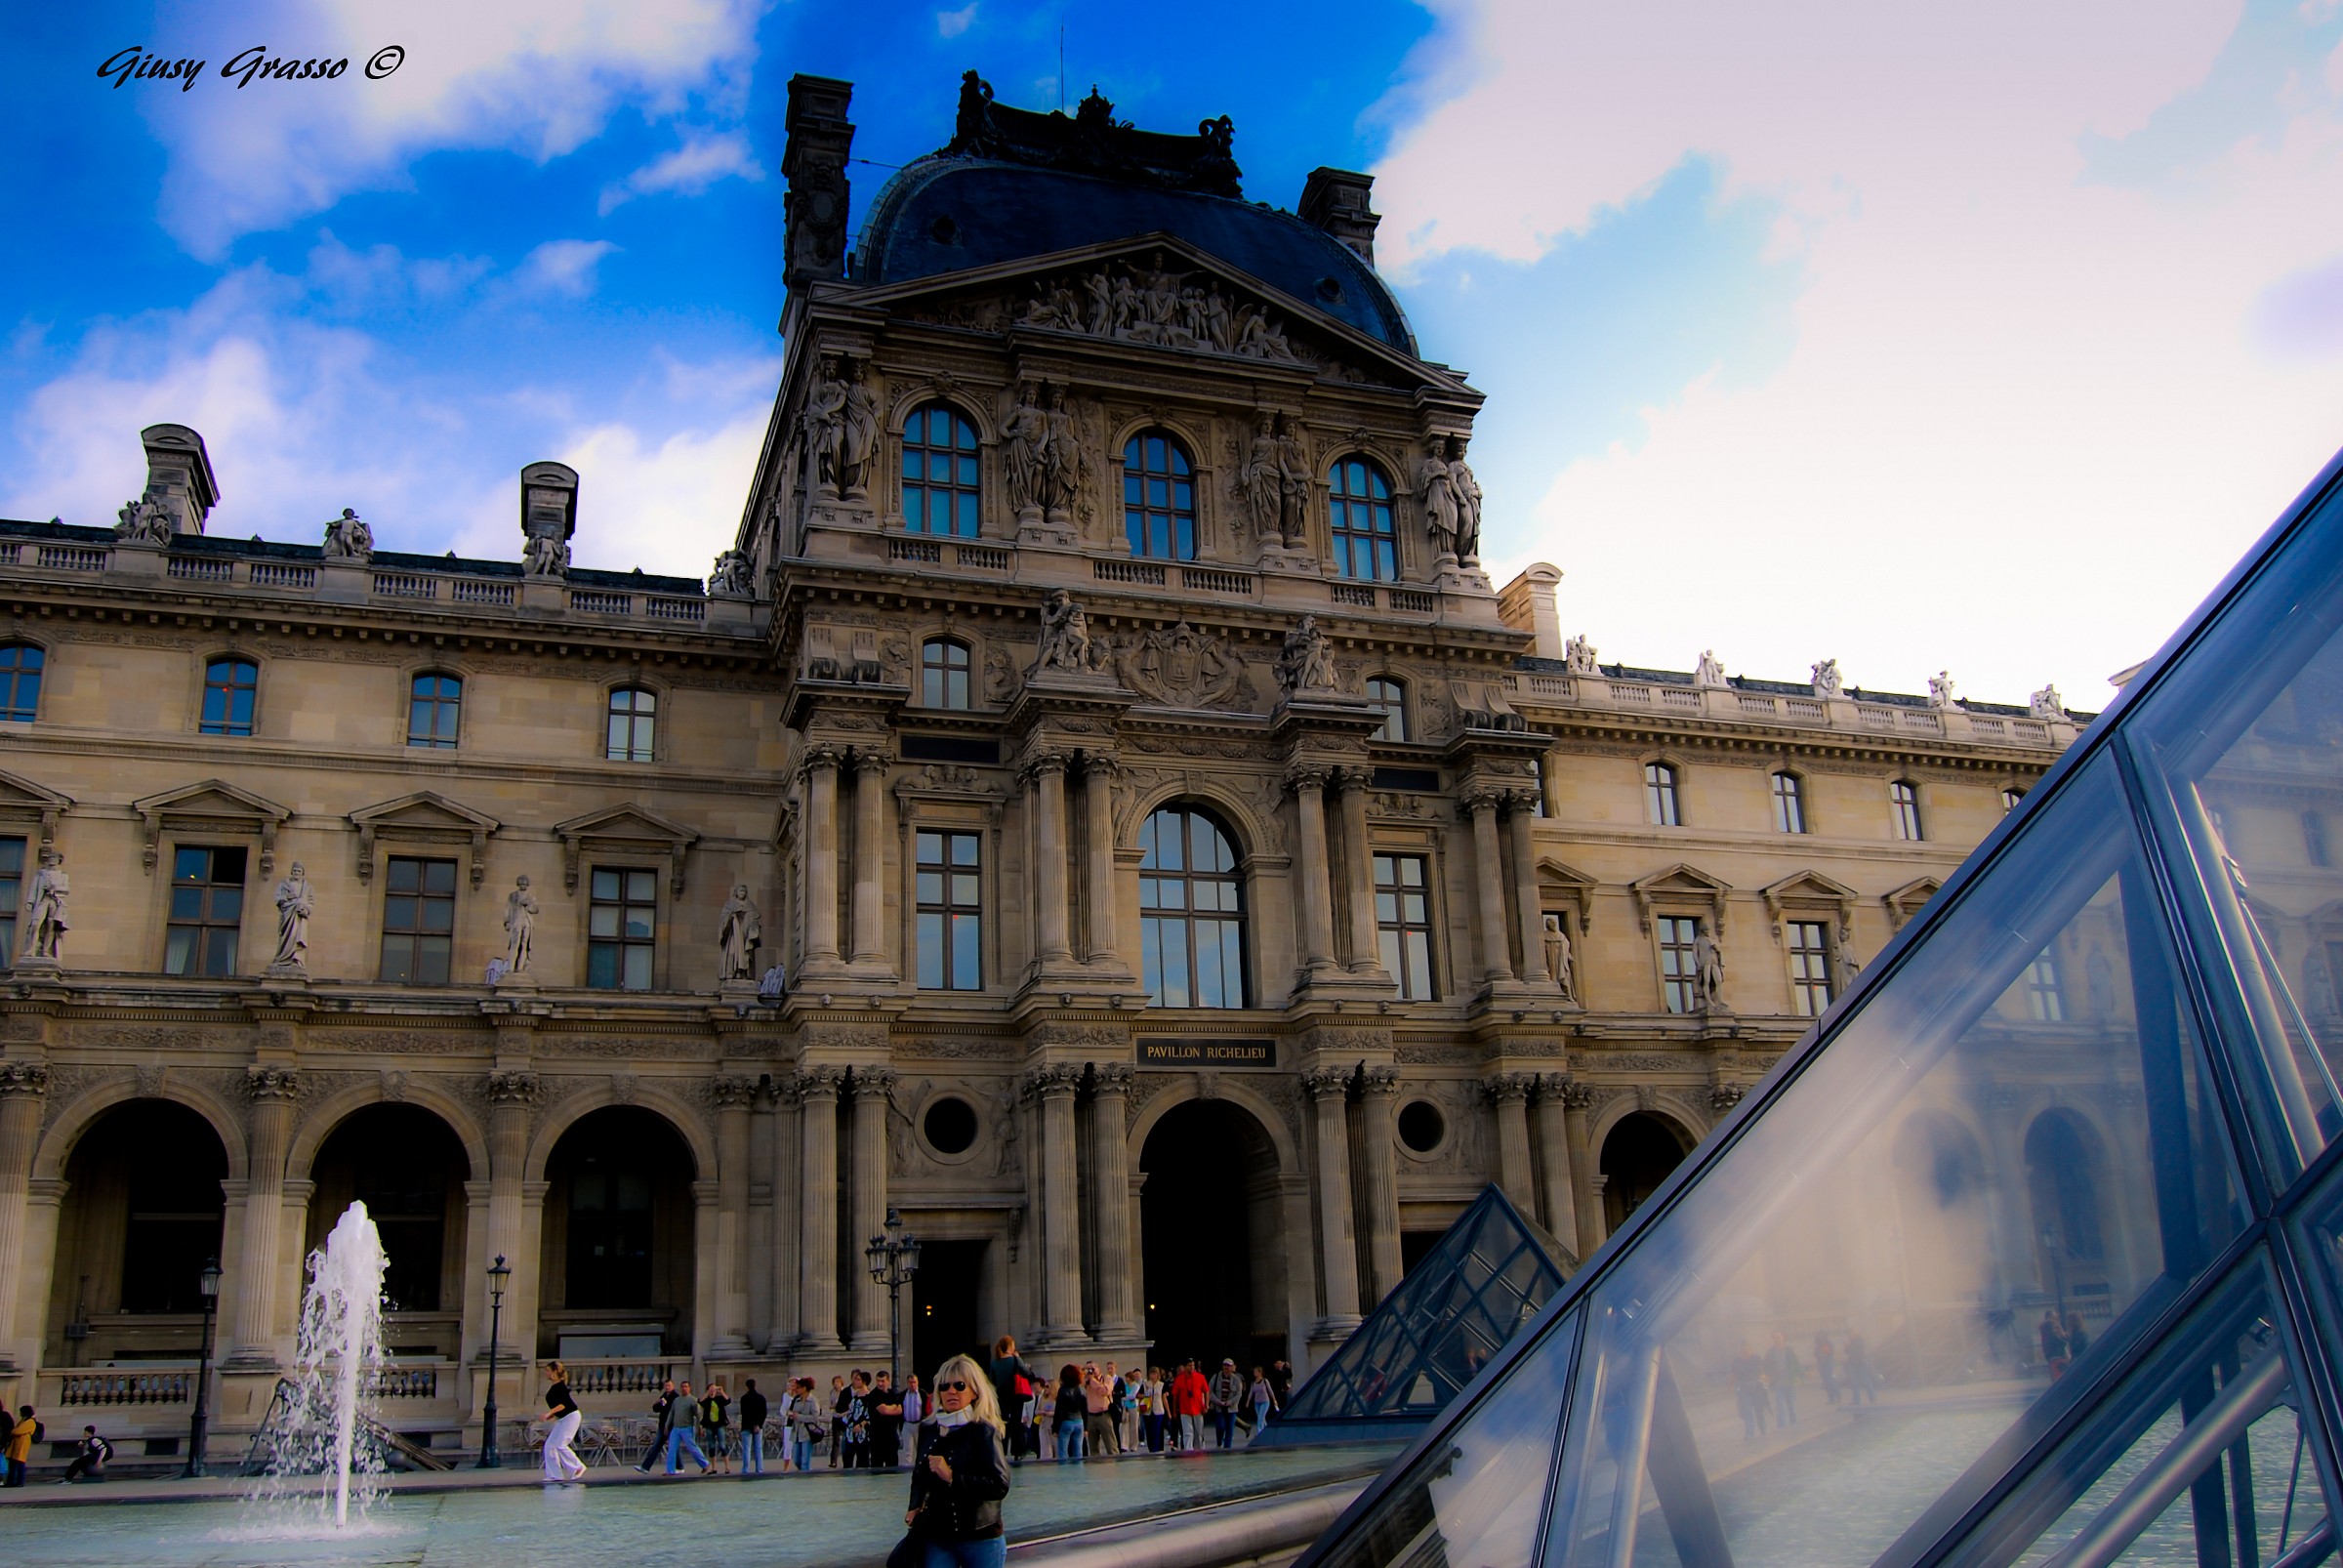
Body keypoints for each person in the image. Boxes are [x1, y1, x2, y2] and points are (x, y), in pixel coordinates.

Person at [903, 1353, 1013, 1568]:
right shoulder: (929, 1429)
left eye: (960, 1385)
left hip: (981, 1535)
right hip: (938, 1534)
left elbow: (999, 1485)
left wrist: (953, 1477)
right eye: (944, 1386)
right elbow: (919, 1476)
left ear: (974, 1391)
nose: (951, 1391)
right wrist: (914, 1506)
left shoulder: (983, 1430)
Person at [988, 1336, 1043, 1463]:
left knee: (1003, 1422)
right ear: (1010, 1347)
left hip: (1001, 1395)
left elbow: (992, 1381)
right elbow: (1027, 1373)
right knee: (1016, 1422)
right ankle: (1017, 1450)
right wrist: (1020, 1360)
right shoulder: (1015, 1360)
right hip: (1016, 1394)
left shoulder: (994, 1363)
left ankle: (1002, 1449)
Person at [541, 1362, 586, 1486]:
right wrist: (551, 1416)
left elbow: (562, 1405)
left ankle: (577, 1467)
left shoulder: (561, 1387)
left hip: (571, 1417)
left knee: (561, 1444)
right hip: (563, 1419)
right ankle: (555, 1475)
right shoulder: (555, 1387)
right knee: (550, 1445)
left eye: (548, 1370)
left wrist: (549, 1413)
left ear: (554, 1372)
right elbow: (559, 1407)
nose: (546, 1373)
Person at [664, 1380, 713, 1475]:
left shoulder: (693, 1400)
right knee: (671, 1449)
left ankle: (705, 1464)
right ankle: (670, 1471)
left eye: (686, 1387)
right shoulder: (676, 1400)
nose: (684, 1388)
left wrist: (700, 1427)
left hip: (687, 1428)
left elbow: (699, 1414)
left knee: (692, 1448)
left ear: (689, 1388)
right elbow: (671, 1413)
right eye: (683, 1387)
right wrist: (667, 1425)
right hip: (676, 1428)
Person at [637, 1378, 680, 1472]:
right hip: (662, 1425)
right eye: (666, 1386)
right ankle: (645, 1467)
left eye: (669, 1385)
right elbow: (657, 1409)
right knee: (657, 1446)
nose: (667, 1387)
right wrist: (656, 1404)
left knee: (672, 1446)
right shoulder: (664, 1396)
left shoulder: (675, 1397)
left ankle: (679, 1467)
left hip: (671, 1425)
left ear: (673, 1386)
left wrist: (663, 1404)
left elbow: (671, 1410)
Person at [1731, 1342, 1769, 1440]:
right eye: (1743, 1351)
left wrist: (1765, 1379)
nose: (1745, 1352)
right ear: (1740, 1351)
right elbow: (1734, 1375)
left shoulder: (1756, 1359)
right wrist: (1730, 1386)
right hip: (1744, 1389)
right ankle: (1749, 1433)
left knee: (1759, 1412)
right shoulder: (1736, 1361)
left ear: (1751, 1350)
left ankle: (1763, 1430)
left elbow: (1763, 1371)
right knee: (1748, 1412)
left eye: (1747, 1350)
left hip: (1757, 1388)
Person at [1764, 1331, 1801, 1428]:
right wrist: (1769, 1375)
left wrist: (1802, 1373)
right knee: (1780, 1406)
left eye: (1778, 1337)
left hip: (1789, 1381)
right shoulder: (1770, 1352)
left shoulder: (1789, 1350)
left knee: (1792, 1405)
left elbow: (1796, 1363)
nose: (1777, 1339)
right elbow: (1766, 1365)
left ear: (1783, 1337)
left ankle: (1794, 1423)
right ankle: (1782, 1426)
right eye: (1775, 1337)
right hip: (1777, 1383)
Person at [787, 1378, 824, 1472]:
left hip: (807, 1432)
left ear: (805, 1388)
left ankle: (806, 1476)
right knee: (796, 1459)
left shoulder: (813, 1401)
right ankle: (804, 1472)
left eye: (798, 1387)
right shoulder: (797, 1400)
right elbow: (794, 1412)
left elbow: (814, 1417)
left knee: (805, 1460)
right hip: (796, 1432)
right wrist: (791, 1415)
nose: (796, 1389)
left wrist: (799, 1416)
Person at [868, 1372, 904, 1469]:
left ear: (888, 1381)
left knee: (892, 1466)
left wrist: (890, 1409)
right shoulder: (874, 1395)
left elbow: (900, 1410)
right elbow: (884, 1410)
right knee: (877, 1467)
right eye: (878, 1381)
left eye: (882, 1381)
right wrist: (893, 1408)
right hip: (877, 1438)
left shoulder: (893, 1393)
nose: (880, 1383)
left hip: (891, 1437)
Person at [1172, 1361, 1209, 1452]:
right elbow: (1175, 1396)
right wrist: (1174, 1411)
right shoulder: (1179, 1379)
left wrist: (1206, 1405)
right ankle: (1188, 1450)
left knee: (1199, 1432)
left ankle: (1199, 1450)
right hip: (1184, 1409)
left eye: (1193, 1365)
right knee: (1187, 1433)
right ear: (1185, 1367)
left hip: (1198, 1409)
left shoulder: (1200, 1377)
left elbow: (1206, 1391)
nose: (1191, 1367)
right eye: (1189, 1365)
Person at [1052, 1364, 1087, 1462]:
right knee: (1078, 1452)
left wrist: (1055, 1428)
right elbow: (1084, 1408)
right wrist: (1086, 1427)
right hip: (1079, 1421)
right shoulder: (1080, 1389)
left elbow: (1059, 1410)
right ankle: (1079, 1472)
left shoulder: (1062, 1390)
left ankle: (1064, 1473)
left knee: (1063, 1452)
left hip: (1066, 1421)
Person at [1210, 1358, 1246, 1450]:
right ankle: (1219, 1443)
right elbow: (1210, 1391)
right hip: (1219, 1407)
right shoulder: (1216, 1377)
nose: (1226, 1367)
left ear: (1232, 1367)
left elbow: (1238, 1394)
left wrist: (1230, 1402)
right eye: (1225, 1365)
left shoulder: (1237, 1379)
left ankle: (1227, 1449)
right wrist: (1217, 1401)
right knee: (1220, 1426)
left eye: (1228, 1365)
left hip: (1232, 1408)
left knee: (1230, 1430)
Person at [1080, 1362, 1113, 1458]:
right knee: (1093, 1446)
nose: (1091, 1371)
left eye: (1093, 1368)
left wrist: (1093, 1380)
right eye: (1089, 1369)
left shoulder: (1107, 1378)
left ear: (1099, 1368)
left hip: (1104, 1415)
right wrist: (1083, 1369)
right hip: (1091, 1416)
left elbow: (1105, 1391)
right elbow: (1080, 1381)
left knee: (1110, 1444)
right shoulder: (1087, 1380)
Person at [701, 1380, 732, 1475]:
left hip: (719, 1424)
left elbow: (728, 1400)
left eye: (714, 1389)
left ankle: (727, 1467)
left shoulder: (719, 1399)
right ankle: (714, 1468)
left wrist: (721, 1391)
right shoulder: (706, 1400)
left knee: (722, 1446)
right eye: (711, 1389)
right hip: (709, 1425)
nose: (713, 1390)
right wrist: (707, 1392)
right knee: (711, 1446)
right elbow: (700, 1401)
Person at [738, 1378, 768, 1476]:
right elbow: (764, 1413)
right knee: (758, 1448)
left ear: (747, 1387)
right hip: (758, 1427)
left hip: (747, 1425)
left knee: (746, 1448)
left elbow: (744, 1413)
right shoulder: (761, 1398)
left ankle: (746, 1469)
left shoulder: (744, 1398)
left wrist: (751, 1425)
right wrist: (758, 1425)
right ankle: (759, 1469)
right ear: (755, 1386)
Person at [1842, 1332, 1879, 1405]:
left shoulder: (1860, 1341)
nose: (1849, 1336)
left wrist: (1849, 1345)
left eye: (1851, 1334)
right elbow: (1847, 1352)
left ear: (1855, 1335)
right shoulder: (1851, 1342)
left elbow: (1856, 1351)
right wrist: (1846, 1346)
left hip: (1860, 1363)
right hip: (1853, 1363)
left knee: (1865, 1380)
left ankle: (1872, 1398)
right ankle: (1856, 1401)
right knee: (1854, 1383)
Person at [1137, 1367, 1167, 1454]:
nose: (1153, 1376)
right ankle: (1152, 1449)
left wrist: (1168, 1412)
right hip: (1148, 1410)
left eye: (1154, 1374)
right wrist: (1145, 1396)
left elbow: (1164, 1398)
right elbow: (1138, 1395)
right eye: (1151, 1374)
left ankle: (1158, 1449)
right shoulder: (1145, 1384)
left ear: (1158, 1375)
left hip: (1158, 1410)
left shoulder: (1161, 1385)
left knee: (1156, 1430)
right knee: (1149, 1431)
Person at [5, 1405, 35, 1486]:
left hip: (22, 1444)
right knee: (13, 1464)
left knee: (20, 1463)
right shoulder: (23, 1420)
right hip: (16, 1444)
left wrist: (13, 1431)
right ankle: (10, 1482)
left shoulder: (30, 1422)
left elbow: (17, 1431)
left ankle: (20, 1482)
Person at [900, 1376, 926, 1467]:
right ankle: (908, 1467)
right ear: (907, 1383)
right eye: (910, 1382)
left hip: (919, 1424)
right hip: (907, 1424)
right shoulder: (903, 1395)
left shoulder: (922, 1394)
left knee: (920, 1448)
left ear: (917, 1382)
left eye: (914, 1382)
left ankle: (921, 1466)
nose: (912, 1384)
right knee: (908, 1449)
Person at [829, 1374, 853, 1467]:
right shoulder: (832, 1393)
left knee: (846, 1438)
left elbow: (849, 1406)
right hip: (836, 1417)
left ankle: (847, 1458)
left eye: (838, 1382)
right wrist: (834, 1406)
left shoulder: (846, 1392)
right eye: (834, 1383)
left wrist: (843, 1412)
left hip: (844, 1417)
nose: (836, 1384)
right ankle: (833, 1461)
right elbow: (830, 1405)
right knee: (835, 1439)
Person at [1247, 1366, 1275, 1442]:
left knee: (1260, 1418)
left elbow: (1270, 1391)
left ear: (1260, 1373)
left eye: (1256, 1372)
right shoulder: (1253, 1383)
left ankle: (1260, 1433)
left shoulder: (1265, 1381)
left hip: (1265, 1402)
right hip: (1257, 1402)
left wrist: (1274, 1400)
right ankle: (1267, 1431)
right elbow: (1251, 1393)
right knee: (1262, 1418)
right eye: (1254, 1372)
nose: (1254, 1373)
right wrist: (1248, 1401)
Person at [2039, 1310, 2071, 1378]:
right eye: (2054, 1316)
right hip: (2057, 1354)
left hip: (2052, 1354)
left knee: (2056, 1374)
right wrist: (2064, 1340)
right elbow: (2055, 1338)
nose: (2056, 1317)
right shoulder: (2050, 1324)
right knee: (2061, 1374)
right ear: (2050, 1316)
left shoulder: (2046, 1326)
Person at [1813, 1332, 1839, 1406]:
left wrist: (1825, 1353)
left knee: (1829, 1379)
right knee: (1826, 1381)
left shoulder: (1828, 1343)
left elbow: (1831, 1352)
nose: (1820, 1337)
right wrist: (1818, 1354)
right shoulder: (1818, 1344)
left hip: (1828, 1363)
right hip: (1821, 1364)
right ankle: (1831, 1397)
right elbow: (1815, 1353)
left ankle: (1837, 1393)